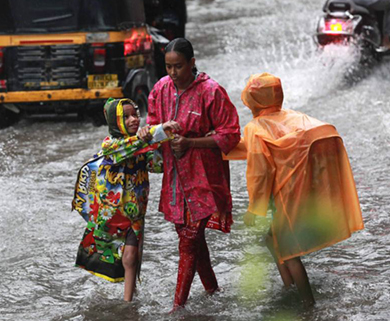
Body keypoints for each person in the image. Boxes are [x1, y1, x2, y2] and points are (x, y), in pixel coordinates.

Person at [225, 73, 364, 306]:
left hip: (284, 193)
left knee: (289, 252)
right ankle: (289, 288)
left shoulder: (255, 127)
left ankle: (307, 305)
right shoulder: (292, 117)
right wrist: (216, 148)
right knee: (273, 239)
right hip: (297, 186)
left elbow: (260, 171)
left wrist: (255, 209)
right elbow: (260, 149)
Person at [141, 37, 241, 311]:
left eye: (179, 67)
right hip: (174, 178)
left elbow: (231, 134)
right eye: (168, 67)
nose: (173, 73)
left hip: (203, 177)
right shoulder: (160, 88)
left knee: (188, 241)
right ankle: (212, 290)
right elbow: (151, 124)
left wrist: (191, 142)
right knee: (192, 239)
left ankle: (177, 308)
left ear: (192, 63)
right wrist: (152, 131)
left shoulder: (211, 91)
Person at [71, 98, 180, 302]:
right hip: (111, 214)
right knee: (111, 254)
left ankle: (128, 303)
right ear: (115, 122)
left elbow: (157, 166)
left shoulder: (142, 143)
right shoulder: (111, 145)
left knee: (130, 257)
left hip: (135, 212)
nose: (133, 120)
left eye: (135, 115)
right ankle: (130, 295)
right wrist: (157, 133)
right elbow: (129, 147)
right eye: (126, 116)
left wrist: (166, 144)